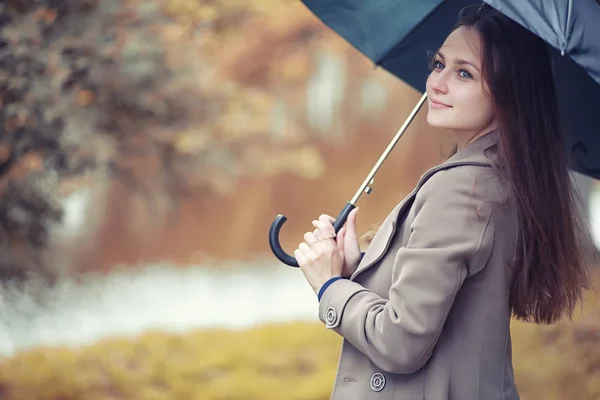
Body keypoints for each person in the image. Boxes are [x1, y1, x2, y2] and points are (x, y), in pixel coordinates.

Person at [293, 5, 593, 400]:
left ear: (508, 92)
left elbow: (400, 343)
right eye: (439, 64)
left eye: (464, 73)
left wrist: (330, 288)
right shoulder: (504, 175)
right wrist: (358, 268)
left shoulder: (462, 188)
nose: (436, 83)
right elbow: (450, 297)